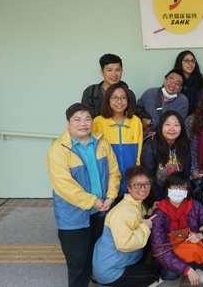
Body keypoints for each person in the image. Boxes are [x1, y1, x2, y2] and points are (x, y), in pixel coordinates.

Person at [46, 103, 120, 287]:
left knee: (97, 254)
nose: (83, 123)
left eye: (87, 118)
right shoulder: (58, 149)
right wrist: (92, 201)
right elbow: (64, 186)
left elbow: (114, 172)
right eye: (77, 119)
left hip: (101, 210)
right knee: (77, 263)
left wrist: (111, 196)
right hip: (73, 216)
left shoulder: (101, 142)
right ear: (68, 122)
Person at [92, 166, 161, 287]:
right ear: (129, 187)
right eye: (137, 185)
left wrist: (151, 211)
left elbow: (137, 220)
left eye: (146, 184)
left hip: (114, 261)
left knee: (149, 237)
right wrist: (145, 227)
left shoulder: (134, 203)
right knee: (155, 274)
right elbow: (124, 244)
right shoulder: (123, 212)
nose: (143, 189)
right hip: (111, 271)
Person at [151, 171, 203, 285]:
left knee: (193, 255)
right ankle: (191, 269)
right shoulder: (159, 212)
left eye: (182, 187)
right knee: (169, 274)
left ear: (187, 190)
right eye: (174, 187)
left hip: (190, 248)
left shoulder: (195, 205)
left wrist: (201, 235)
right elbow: (159, 247)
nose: (178, 191)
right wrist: (188, 270)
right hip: (170, 249)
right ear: (167, 188)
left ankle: (192, 268)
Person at [93, 83, 143, 199]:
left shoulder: (135, 121)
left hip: (130, 178)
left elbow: (139, 152)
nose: (119, 101)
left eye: (123, 97)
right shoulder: (97, 122)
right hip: (107, 179)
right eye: (114, 97)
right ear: (107, 100)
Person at [140, 110, 190, 204]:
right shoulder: (151, 145)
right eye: (167, 125)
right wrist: (161, 199)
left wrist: (181, 195)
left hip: (179, 195)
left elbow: (186, 173)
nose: (172, 129)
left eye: (176, 125)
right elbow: (148, 176)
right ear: (161, 126)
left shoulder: (184, 144)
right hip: (156, 196)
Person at [82, 53, 137, 118]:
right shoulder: (91, 93)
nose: (114, 74)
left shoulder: (129, 94)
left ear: (122, 71)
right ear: (102, 72)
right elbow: (85, 118)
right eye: (109, 70)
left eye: (117, 70)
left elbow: (132, 118)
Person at [136, 69, 188, 134]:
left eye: (178, 83)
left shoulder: (182, 101)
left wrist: (151, 123)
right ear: (164, 81)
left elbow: (177, 123)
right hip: (144, 136)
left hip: (167, 138)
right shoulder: (150, 92)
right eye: (171, 80)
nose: (173, 84)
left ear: (180, 88)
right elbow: (137, 109)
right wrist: (143, 118)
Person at [174, 50, 203, 115]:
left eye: (192, 61)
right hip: (176, 118)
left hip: (197, 119)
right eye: (186, 61)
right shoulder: (173, 82)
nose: (190, 63)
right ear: (180, 63)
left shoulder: (202, 83)